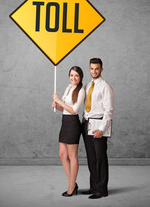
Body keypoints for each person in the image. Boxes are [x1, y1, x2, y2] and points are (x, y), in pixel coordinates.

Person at [81, 58, 114, 199]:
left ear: (101, 69)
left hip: (99, 124)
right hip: (87, 124)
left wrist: (101, 129)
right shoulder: (88, 85)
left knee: (100, 158)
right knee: (91, 158)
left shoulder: (105, 86)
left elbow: (109, 110)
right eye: (92, 68)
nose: (94, 71)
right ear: (89, 69)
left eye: (97, 68)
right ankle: (93, 186)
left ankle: (102, 190)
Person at [52, 66, 86, 197]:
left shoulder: (81, 91)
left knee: (72, 157)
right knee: (62, 154)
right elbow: (65, 109)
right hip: (65, 123)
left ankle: (71, 187)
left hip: (73, 124)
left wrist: (59, 101)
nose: (73, 78)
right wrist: (57, 106)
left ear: (80, 77)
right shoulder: (68, 87)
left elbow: (74, 110)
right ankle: (73, 182)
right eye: (71, 75)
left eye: (76, 76)